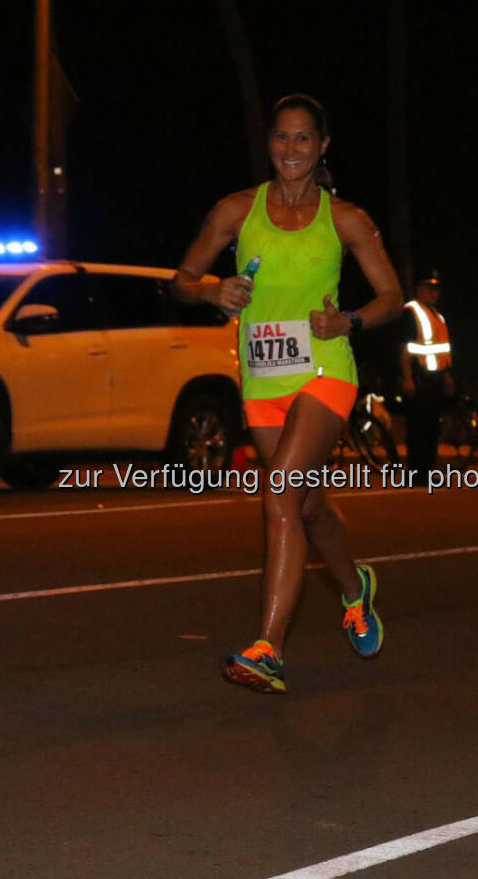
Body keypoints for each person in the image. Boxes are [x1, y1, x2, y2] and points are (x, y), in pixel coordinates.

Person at [172, 94, 402, 693]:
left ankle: (267, 648)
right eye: (281, 138)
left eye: (304, 139)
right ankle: (356, 590)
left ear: (322, 146)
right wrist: (212, 293)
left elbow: (390, 297)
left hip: (325, 369)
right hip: (263, 378)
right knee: (306, 506)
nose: (291, 150)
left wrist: (347, 322)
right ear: (269, 144)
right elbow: (182, 279)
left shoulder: (345, 218)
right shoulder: (234, 211)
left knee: (277, 496)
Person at [399, 269, 453, 476]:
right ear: (419, 289)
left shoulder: (437, 316)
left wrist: (446, 375)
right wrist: (407, 378)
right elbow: (405, 347)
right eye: (430, 289)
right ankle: (417, 471)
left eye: (436, 289)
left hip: (435, 377)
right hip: (419, 377)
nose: (434, 293)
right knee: (418, 427)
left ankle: (428, 467)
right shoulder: (412, 312)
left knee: (432, 426)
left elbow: (442, 349)